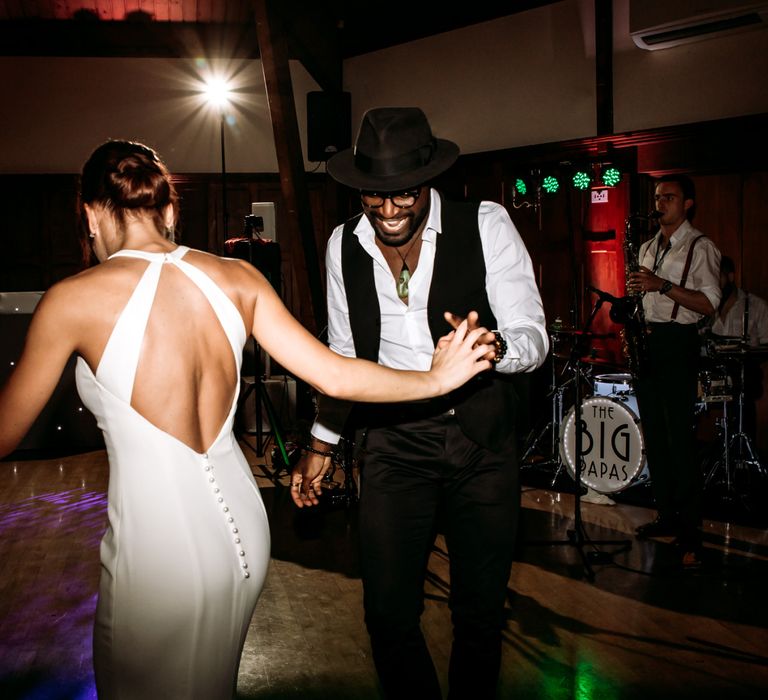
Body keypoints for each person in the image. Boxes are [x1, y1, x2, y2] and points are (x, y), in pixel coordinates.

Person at [0, 140, 495, 699]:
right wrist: (435, 379)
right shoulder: (238, 278)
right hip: (246, 535)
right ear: (169, 211)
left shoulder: (72, 299)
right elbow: (334, 375)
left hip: (157, 552)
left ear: (90, 214)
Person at [291, 107, 548, 699]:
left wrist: (490, 346)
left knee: (479, 616)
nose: (387, 212)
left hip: (481, 440)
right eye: (371, 199)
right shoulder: (342, 247)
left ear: (427, 180)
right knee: (386, 615)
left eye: (401, 195)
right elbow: (343, 358)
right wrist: (321, 444)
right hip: (395, 442)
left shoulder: (486, 223)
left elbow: (534, 337)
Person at [628, 174, 721, 568]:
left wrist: (661, 285)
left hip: (678, 345)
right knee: (656, 437)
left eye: (669, 197)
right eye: (657, 197)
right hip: (648, 343)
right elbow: (641, 296)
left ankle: (691, 531)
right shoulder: (648, 246)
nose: (660, 202)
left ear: (688, 204)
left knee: (679, 440)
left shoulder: (701, 247)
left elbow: (709, 304)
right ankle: (666, 515)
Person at [707, 255, 768, 437]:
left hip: (744, 380)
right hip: (713, 378)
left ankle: (743, 449)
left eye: (717, 277)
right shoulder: (705, 309)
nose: (713, 283)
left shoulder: (756, 305)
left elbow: (766, 346)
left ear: (731, 277)